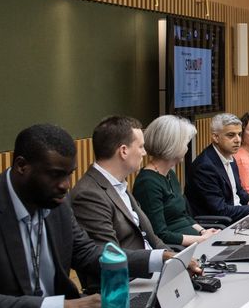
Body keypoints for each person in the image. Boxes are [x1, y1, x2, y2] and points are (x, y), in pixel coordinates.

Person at [0, 125, 156, 308]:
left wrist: (159, 259)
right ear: (21, 166)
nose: (65, 185)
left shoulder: (57, 203)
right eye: (56, 175)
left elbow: (87, 254)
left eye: (69, 174)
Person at [69, 116, 191, 291]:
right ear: (123, 151)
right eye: (140, 146)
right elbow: (109, 256)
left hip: (153, 276)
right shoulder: (89, 194)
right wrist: (162, 259)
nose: (144, 152)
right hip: (127, 286)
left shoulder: (118, 184)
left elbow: (151, 238)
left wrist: (177, 261)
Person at [133, 115, 218, 247]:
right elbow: (160, 234)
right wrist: (202, 240)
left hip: (194, 242)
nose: (187, 148)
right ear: (173, 145)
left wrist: (204, 231)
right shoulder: (147, 183)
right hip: (178, 251)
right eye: (185, 143)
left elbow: (183, 216)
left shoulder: (170, 174)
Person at [186, 113, 249, 223]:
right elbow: (220, 210)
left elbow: (239, 191)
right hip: (220, 225)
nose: (238, 140)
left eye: (239, 134)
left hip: (237, 216)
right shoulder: (205, 167)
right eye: (231, 135)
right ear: (216, 137)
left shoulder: (230, 156)